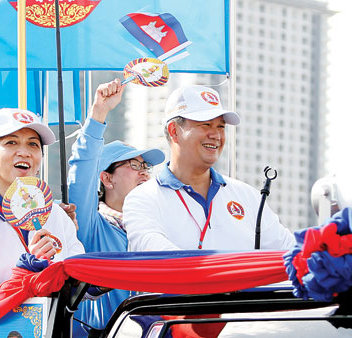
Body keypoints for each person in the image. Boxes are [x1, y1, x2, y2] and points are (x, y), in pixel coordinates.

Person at [66, 79, 165, 338]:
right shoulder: (89, 226)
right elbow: (81, 172)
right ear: (106, 179)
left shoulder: (156, 229)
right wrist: (98, 114)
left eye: (145, 167)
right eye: (134, 166)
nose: (144, 173)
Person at [124, 85, 294, 252]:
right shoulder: (143, 199)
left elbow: (290, 251)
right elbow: (155, 253)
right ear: (174, 131)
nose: (216, 135)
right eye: (205, 124)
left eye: (221, 127)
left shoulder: (248, 196)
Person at [0, 108, 84, 296]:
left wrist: (97, 282)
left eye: (33, 144)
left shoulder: (56, 214)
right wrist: (28, 273)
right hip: (8, 326)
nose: (24, 152)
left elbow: (81, 287)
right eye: (11, 142)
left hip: (59, 325)